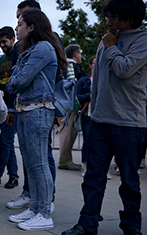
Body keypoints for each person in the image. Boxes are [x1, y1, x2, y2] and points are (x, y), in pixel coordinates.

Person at [62, 0, 147, 234]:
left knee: (129, 181)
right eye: (107, 17)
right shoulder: (107, 39)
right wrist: (94, 112)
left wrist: (110, 46)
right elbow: (97, 79)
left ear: (131, 19)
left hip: (129, 123)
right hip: (99, 121)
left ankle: (131, 226)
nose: (108, 22)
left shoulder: (142, 40)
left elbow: (124, 69)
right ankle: (87, 224)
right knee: (93, 178)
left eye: (113, 17)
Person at [6, 8, 67, 231]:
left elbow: (18, 81)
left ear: (32, 27)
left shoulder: (42, 48)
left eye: (20, 23)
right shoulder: (29, 49)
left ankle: (44, 213)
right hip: (26, 110)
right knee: (31, 163)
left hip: (38, 111)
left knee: (40, 163)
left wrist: (13, 82)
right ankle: (34, 207)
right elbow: (14, 79)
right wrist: (13, 82)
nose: (16, 27)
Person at [0, 26, 19, 189]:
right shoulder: (0, 60)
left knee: (5, 141)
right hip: (3, 105)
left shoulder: (18, 55)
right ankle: (13, 176)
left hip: (15, 106)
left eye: (4, 41)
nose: (1, 45)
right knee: (7, 143)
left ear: (13, 39)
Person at [57, 44, 86, 171]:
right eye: (79, 53)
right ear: (75, 54)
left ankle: (66, 159)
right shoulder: (73, 66)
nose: (80, 56)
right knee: (68, 133)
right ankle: (65, 161)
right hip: (69, 105)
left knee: (65, 131)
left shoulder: (62, 65)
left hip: (60, 103)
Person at [77, 55, 95, 177]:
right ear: (90, 65)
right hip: (87, 115)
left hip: (102, 116)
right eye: (95, 63)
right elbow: (77, 97)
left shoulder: (105, 81)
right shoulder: (84, 81)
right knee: (88, 141)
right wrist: (89, 96)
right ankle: (86, 167)